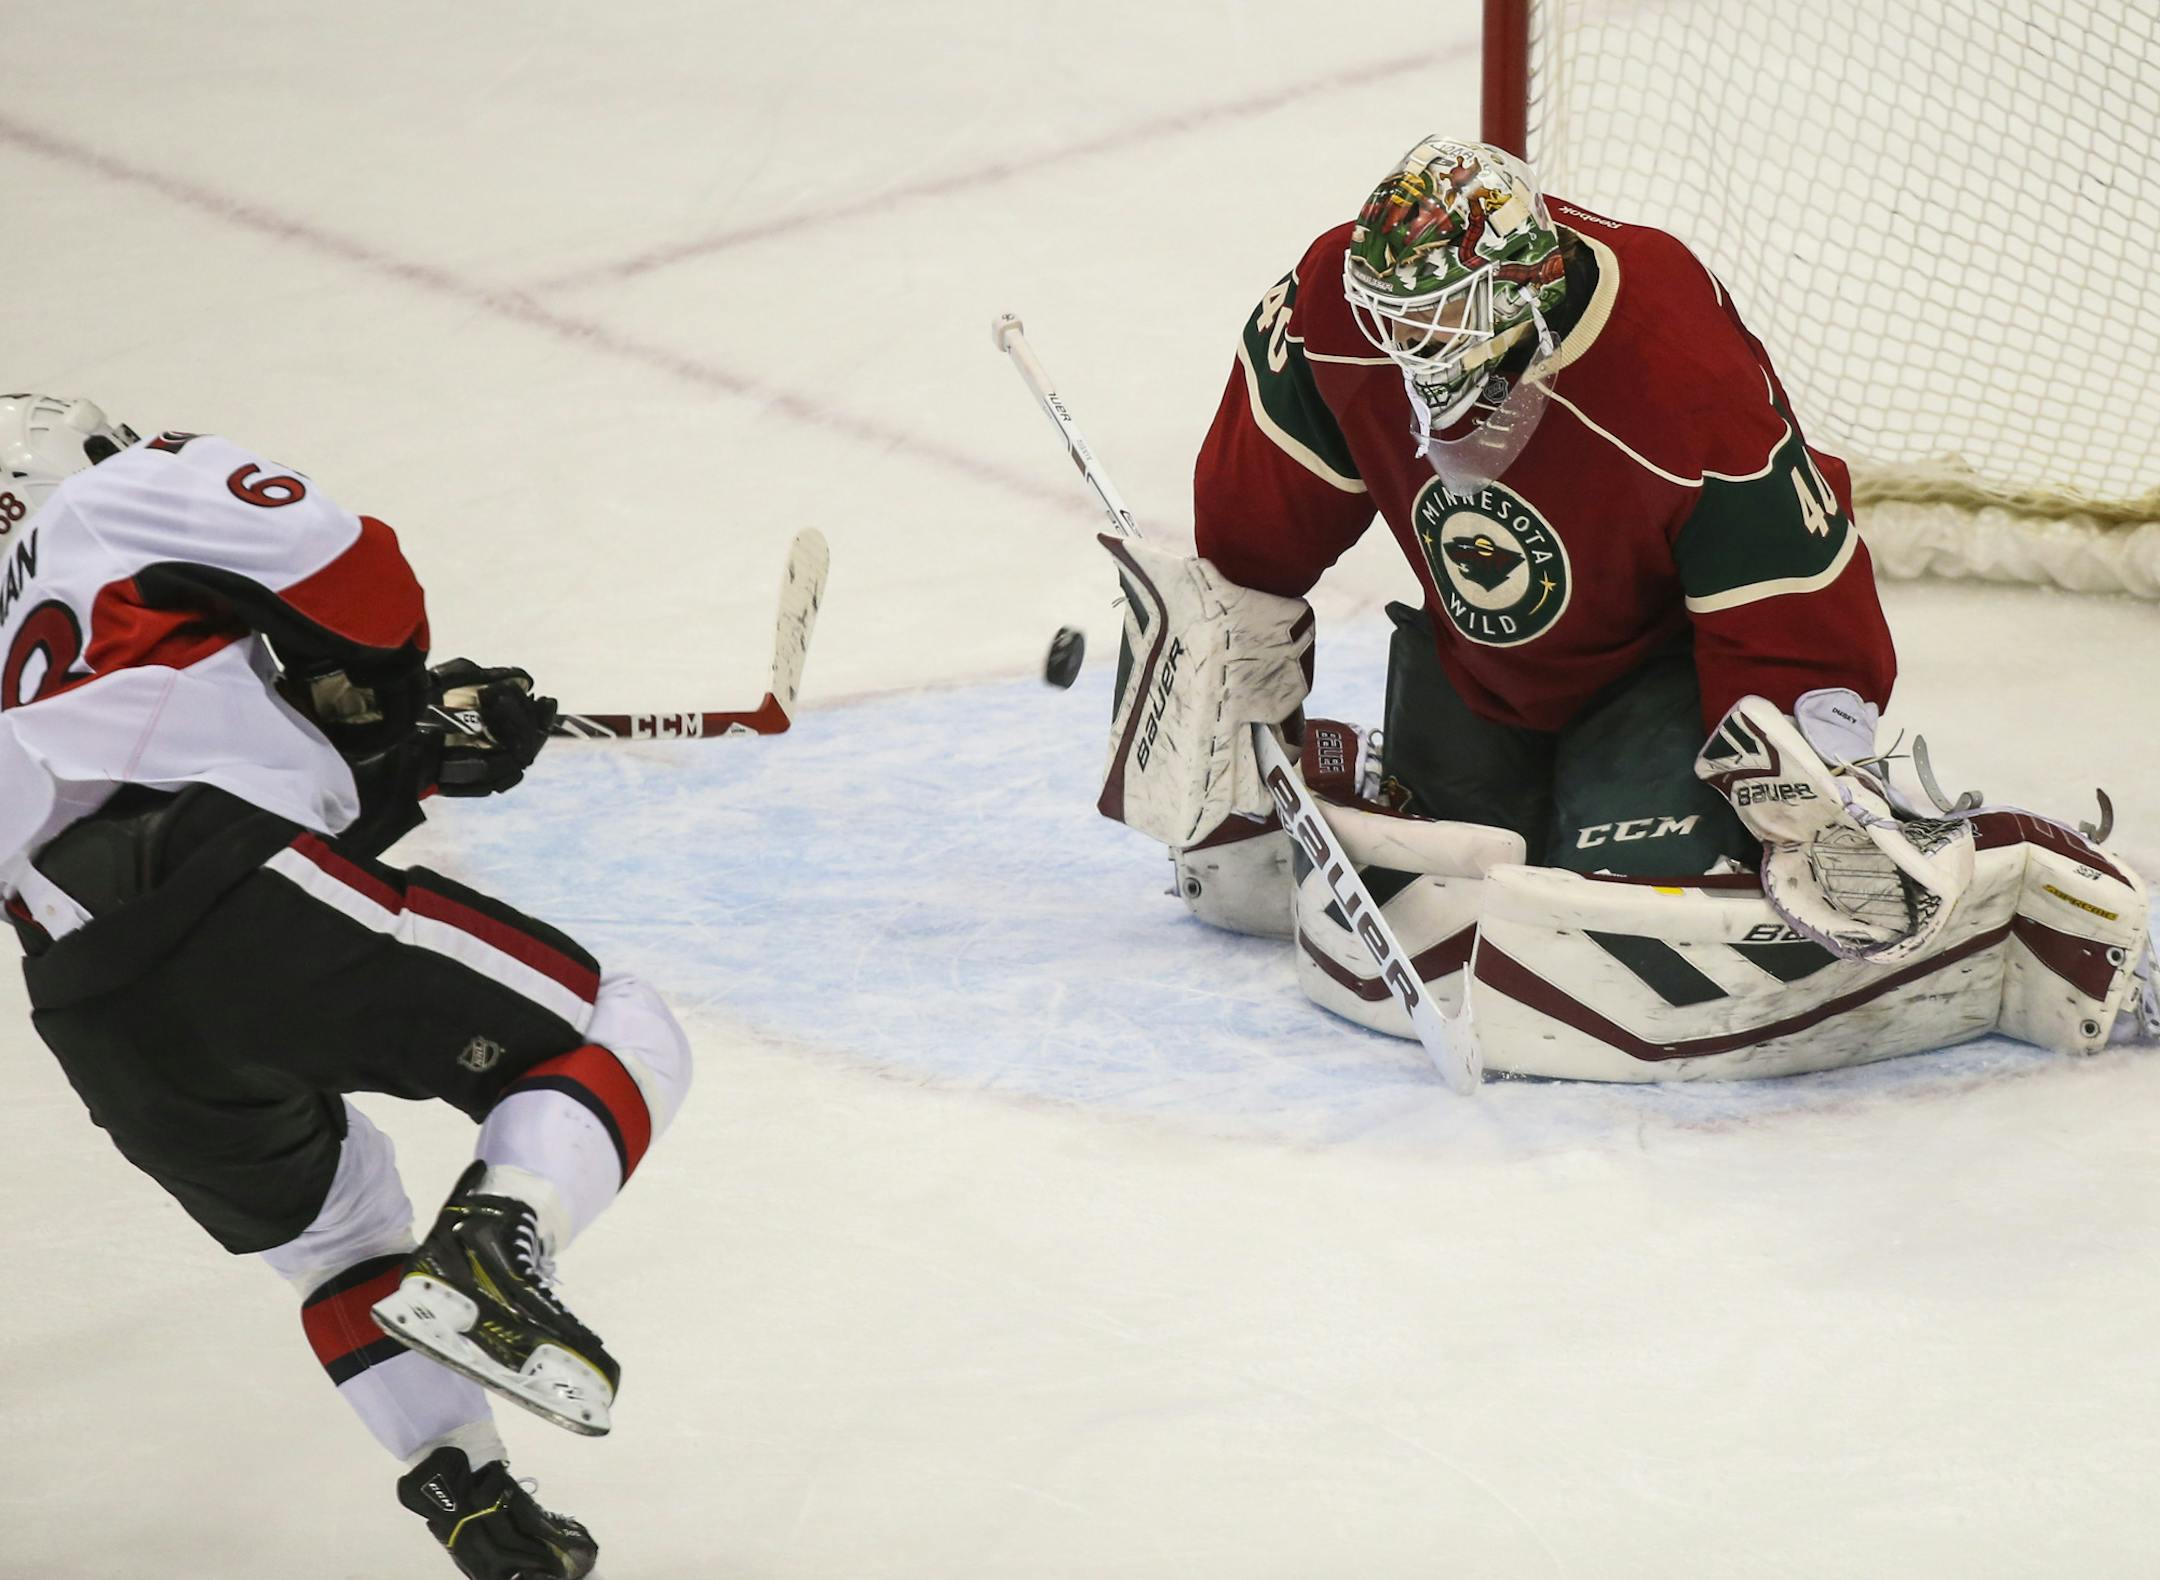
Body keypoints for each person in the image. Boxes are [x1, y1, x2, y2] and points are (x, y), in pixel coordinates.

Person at [1091, 140, 2155, 1076]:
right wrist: (1233, 662)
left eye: (1441, 314)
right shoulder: (1334, 305)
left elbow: (1792, 593)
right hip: (1477, 668)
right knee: (1437, 874)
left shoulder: (1673, 360)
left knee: (1624, 893)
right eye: (1394, 313)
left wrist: (1809, 776)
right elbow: (1255, 532)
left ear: (1528, 287)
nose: (1409, 340)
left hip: (1664, 682)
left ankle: (1987, 851)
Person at [0, 393, 691, 1578]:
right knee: (611, 1029)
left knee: (339, 1237)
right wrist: (389, 687)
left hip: (87, 998)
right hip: (223, 888)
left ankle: (472, 1493)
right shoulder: (116, 489)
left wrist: (411, 755)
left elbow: (133, 771)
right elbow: (357, 582)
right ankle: (502, 1241)